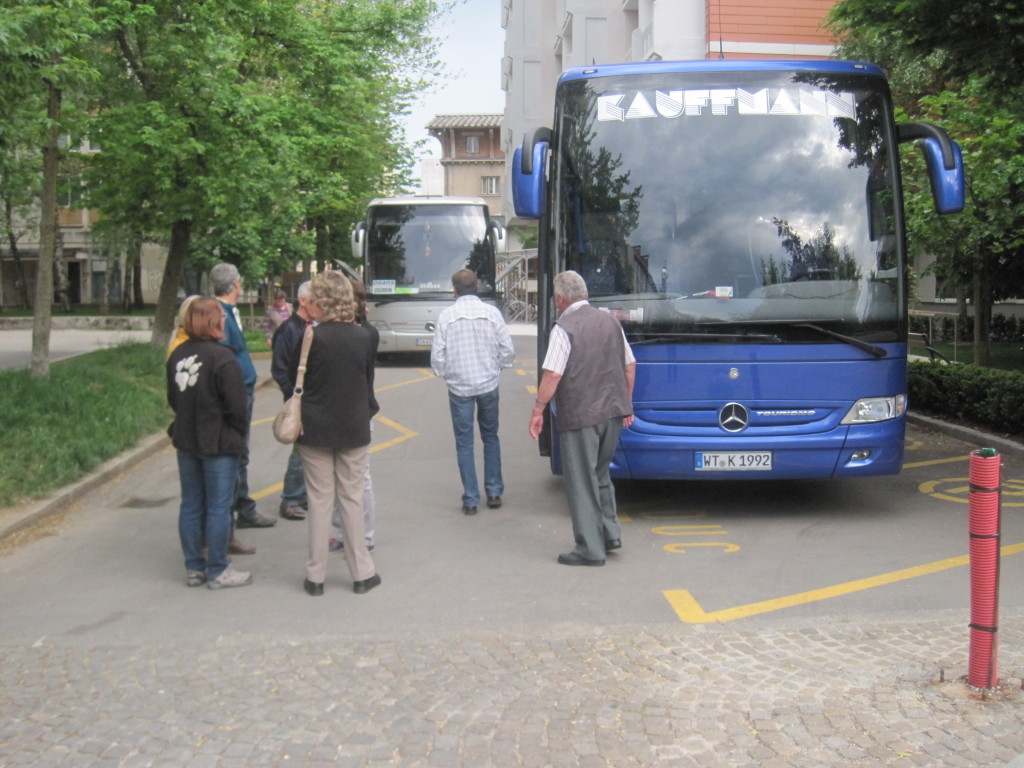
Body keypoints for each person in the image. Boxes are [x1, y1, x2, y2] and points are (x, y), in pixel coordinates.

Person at [528, 270, 636, 566]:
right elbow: (630, 365)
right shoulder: (611, 322)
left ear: (560, 298)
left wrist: (538, 409)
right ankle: (609, 533)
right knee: (601, 474)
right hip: (612, 412)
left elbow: (553, 373)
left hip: (580, 415)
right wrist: (626, 404)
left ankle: (590, 549)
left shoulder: (564, 327)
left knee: (580, 480)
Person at [290, 271, 381, 596]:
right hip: (354, 427)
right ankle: (362, 573)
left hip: (315, 428)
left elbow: (294, 378)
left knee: (319, 500)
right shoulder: (363, 337)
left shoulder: (310, 336)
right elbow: (365, 381)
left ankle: (315, 577)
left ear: (321, 301)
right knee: (352, 498)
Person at [166, 297, 253, 589]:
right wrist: (238, 433)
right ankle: (218, 569)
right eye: (221, 317)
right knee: (218, 507)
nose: (225, 320)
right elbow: (238, 407)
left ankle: (194, 567)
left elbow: (173, 399)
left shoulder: (178, 355)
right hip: (218, 442)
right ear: (213, 321)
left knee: (191, 503)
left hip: (187, 438)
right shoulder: (223, 358)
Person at [431, 268, 515, 515]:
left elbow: (437, 357)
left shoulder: (446, 316)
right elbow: (507, 350)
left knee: (464, 442)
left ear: (454, 290)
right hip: (488, 384)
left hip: (459, 389)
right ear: (477, 286)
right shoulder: (491, 313)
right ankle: (494, 491)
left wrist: (447, 374)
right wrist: (497, 367)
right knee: (490, 436)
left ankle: (470, 499)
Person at [211, 263, 277, 538]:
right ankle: (233, 513)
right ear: (236, 284)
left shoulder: (228, 312)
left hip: (242, 389)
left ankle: (242, 507)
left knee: (241, 452)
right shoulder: (219, 315)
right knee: (236, 452)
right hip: (236, 392)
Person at [329, 277, 379, 552]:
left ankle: (365, 535)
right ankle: (341, 533)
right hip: (351, 411)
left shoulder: (365, 334)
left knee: (359, 478)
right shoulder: (363, 332)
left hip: (358, 411)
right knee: (344, 478)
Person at [270, 281, 313, 521]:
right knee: (299, 450)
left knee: (310, 449)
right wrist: (294, 396)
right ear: (304, 301)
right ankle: (291, 499)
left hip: (312, 398)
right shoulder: (288, 331)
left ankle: (303, 495)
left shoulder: (313, 326)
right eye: (316, 299)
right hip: (298, 400)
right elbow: (279, 370)